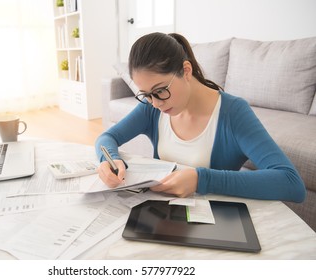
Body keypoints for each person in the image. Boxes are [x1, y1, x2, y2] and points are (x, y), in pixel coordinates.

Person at [95, 32, 306, 202]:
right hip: (160, 214)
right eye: (146, 95)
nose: (156, 103)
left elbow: (290, 183)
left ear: (186, 70)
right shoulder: (153, 108)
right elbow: (107, 138)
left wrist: (200, 179)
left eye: (160, 91)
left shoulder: (233, 113)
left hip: (211, 226)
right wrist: (110, 159)